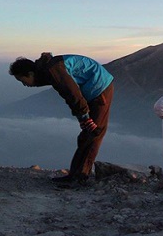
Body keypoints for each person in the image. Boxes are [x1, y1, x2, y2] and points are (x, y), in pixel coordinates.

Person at [9, 52, 114, 184]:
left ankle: (80, 177)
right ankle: (76, 175)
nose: (24, 85)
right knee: (87, 134)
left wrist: (84, 118)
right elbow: (71, 95)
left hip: (100, 87)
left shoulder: (53, 71)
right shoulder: (47, 70)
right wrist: (83, 118)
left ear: (30, 74)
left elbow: (73, 95)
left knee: (94, 133)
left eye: (22, 81)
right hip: (92, 86)